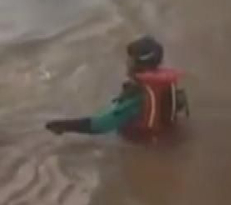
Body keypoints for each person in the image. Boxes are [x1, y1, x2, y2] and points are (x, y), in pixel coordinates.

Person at [43, 35, 188, 142]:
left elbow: (99, 125)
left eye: (129, 60)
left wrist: (61, 125)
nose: (126, 63)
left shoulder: (137, 99)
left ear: (139, 65)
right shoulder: (161, 84)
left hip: (145, 144)